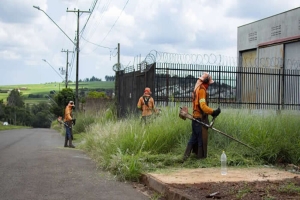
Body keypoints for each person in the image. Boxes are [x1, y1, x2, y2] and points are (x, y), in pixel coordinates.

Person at [183, 72, 221, 161]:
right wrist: (213, 112)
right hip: (199, 118)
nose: (209, 85)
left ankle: (185, 157)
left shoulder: (197, 89)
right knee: (201, 139)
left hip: (195, 118)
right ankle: (200, 159)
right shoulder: (202, 90)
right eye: (208, 83)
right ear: (206, 82)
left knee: (194, 138)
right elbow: (203, 106)